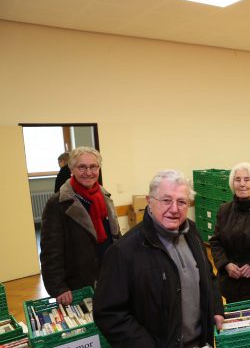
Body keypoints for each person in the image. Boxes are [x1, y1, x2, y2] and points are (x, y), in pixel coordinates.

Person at [94, 170, 224, 348]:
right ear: (149, 201)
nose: (174, 209)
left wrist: (216, 307)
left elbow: (209, 276)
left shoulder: (192, 233)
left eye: (181, 202)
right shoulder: (123, 251)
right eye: (166, 200)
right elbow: (109, 314)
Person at [40, 147, 120, 305]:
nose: (88, 172)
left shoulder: (104, 196)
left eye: (93, 167)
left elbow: (115, 236)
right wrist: (58, 287)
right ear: (72, 169)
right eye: (82, 167)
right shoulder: (58, 203)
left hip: (109, 275)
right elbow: (51, 251)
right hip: (78, 282)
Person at [210, 163, 250, 303]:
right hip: (230, 283)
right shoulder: (224, 210)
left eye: (247, 179)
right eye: (237, 180)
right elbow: (216, 242)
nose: (242, 184)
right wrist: (226, 264)